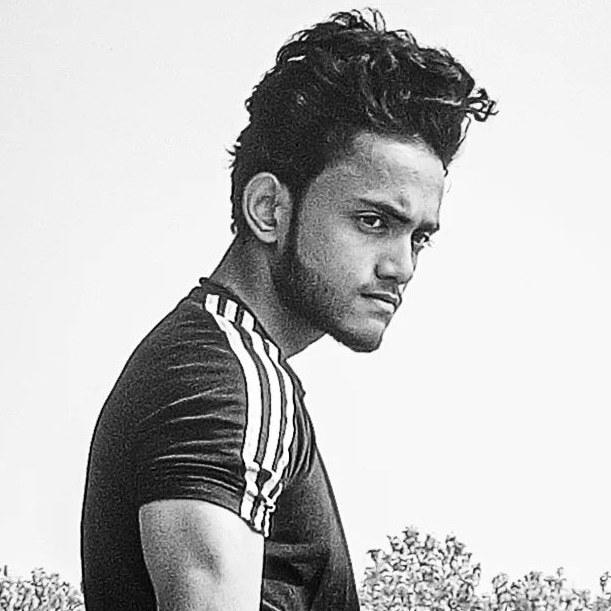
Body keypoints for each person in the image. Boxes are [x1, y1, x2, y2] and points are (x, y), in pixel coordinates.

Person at [81, 8, 495, 610]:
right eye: (373, 221)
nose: (402, 266)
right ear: (269, 209)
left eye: (419, 238)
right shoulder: (229, 387)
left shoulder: (207, 366)